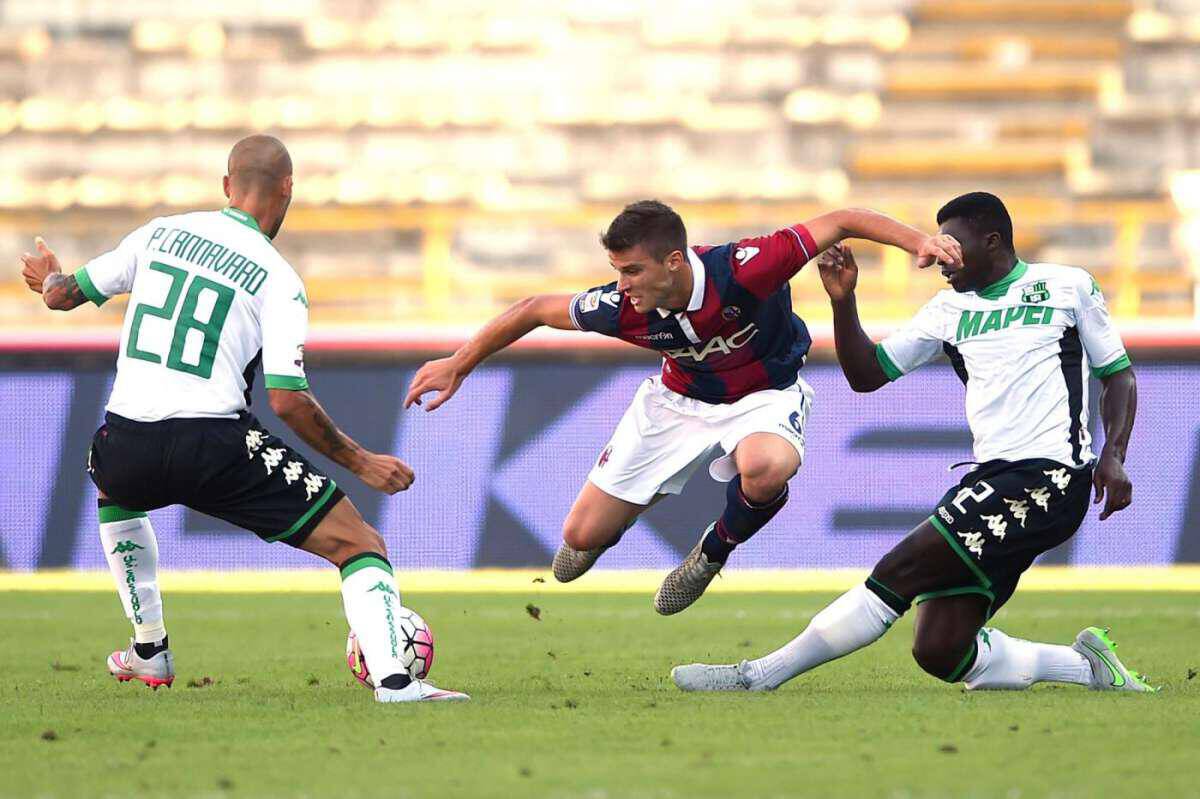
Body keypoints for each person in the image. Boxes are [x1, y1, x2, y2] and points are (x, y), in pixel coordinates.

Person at [19, 134, 467, 703]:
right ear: (287, 192)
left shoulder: (158, 233)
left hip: (125, 437)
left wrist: (50, 275)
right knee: (358, 543)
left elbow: (61, 296)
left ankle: (150, 649)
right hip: (213, 439)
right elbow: (286, 398)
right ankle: (397, 681)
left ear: (226, 186)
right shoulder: (278, 279)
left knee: (114, 486)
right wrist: (363, 462)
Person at [671, 192, 1155, 693]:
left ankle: (758, 676)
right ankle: (1087, 667)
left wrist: (1114, 456)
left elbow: (1117, 375)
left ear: (992, 241)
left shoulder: (1067, 285)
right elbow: (866, 374)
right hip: (989, 477)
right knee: (941, 650)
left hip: (1050, 476)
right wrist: (844, 301)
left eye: (952, 244)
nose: (938, 256)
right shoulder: (947, 310)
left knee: (896, 572)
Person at [405, 199, 960, 614]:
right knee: (579, 543)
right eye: (617, 271)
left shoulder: (745, 267)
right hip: (675, 403)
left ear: (674, 262)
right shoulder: (621, 307)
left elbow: (841, 219)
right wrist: (460, 361)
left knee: (768, 467)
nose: (621, 286)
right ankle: (624, 511)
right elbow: (532, 309)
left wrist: (917, 242)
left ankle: (713, 551)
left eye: (632, 272)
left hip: (763, 396)